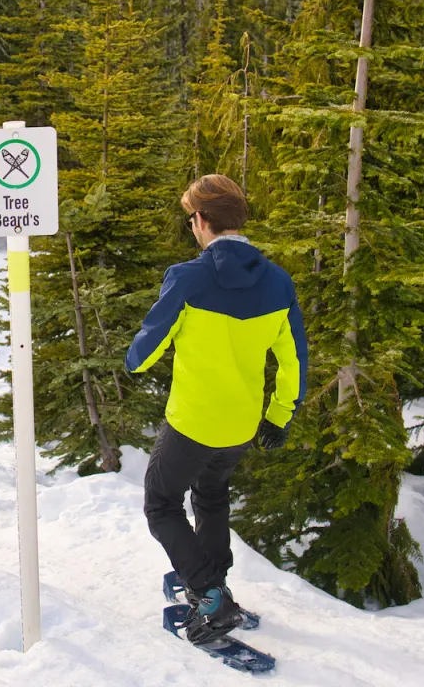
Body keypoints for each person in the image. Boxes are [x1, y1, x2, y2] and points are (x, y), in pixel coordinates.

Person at [124, 174, 307, 645]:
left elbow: (142, 355)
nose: (192, 227)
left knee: (161, 505)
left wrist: (139, 353)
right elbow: (294, 359)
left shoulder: (187, 278)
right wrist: (280, 416)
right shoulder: (279, 282)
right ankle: (217, 582)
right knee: (211, 497)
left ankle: (208, 596)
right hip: (241, 426)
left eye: (191, 219)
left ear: (202, 221)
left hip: (191, 423)